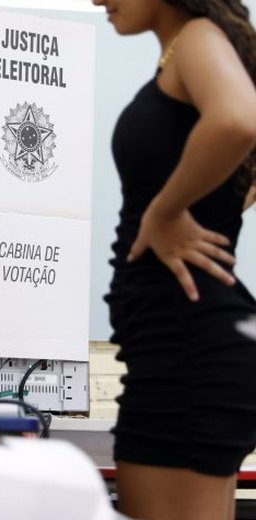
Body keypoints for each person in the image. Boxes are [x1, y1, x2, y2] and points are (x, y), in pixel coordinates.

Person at [95, 0, 256, 518]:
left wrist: (166, 212)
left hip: (188, 347)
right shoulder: (187, 50)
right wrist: (210, 204)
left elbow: (238, 119)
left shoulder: (197, 38)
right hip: (174, 345)